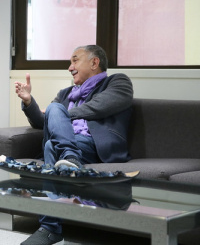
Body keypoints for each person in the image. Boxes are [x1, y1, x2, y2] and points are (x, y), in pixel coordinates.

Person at [15, 45, 133, 245]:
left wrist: (57, 114)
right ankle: (70, 158)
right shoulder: (65, 93)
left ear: (95, 63)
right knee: (51, 145)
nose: (70, 67)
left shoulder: (117, 82)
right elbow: (40, 123)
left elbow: (99, 107)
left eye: (75, 60)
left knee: (54, 114)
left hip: (95, 147)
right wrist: (29, 102)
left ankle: (50, 229)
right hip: (65, 146)